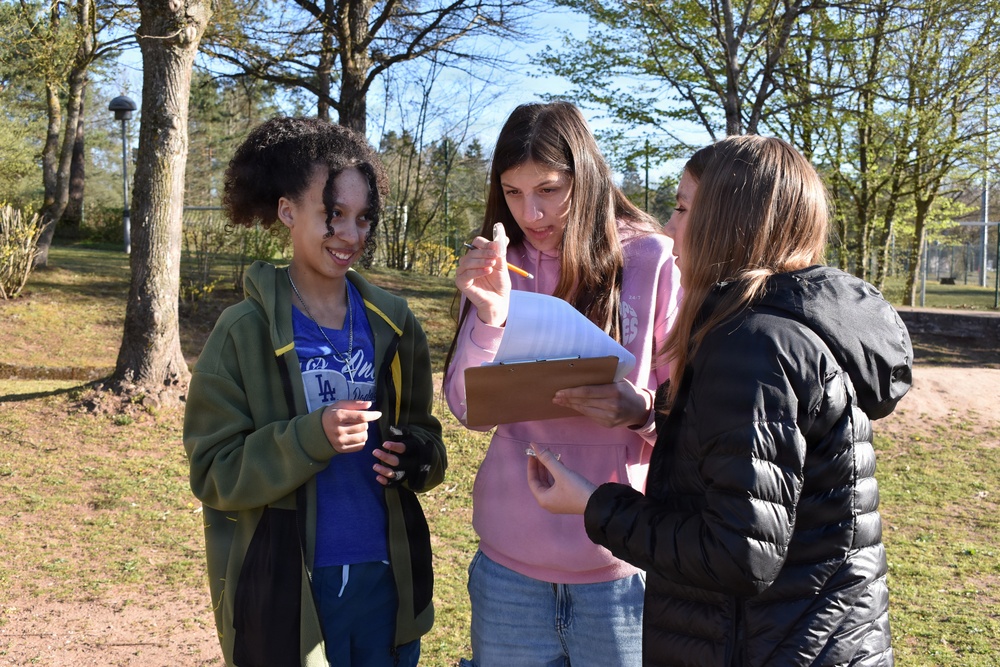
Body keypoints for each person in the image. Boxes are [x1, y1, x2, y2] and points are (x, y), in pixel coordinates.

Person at [527, 134, 913, 666]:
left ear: (730, 222)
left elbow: (737, 554)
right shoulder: (783, 332)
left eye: (684, 208)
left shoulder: (755, 346)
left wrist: (594, 503)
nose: (668, 226)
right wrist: (648, 412)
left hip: (766, 645)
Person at [183, 115, 447, 667]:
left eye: (364, 218)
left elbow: (427, 437)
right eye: (334, 216)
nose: (352, 235)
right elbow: (214, 472)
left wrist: (416, 456)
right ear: (287, 211)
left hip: (387, 585)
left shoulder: (396, 325)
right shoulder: (242, 332)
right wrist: (310, 438)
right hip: (289, 592)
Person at [442, 101, 683, 666]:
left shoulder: (650, 258)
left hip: (619, 563)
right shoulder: (497, 265)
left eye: (549, 189)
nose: (532, 213)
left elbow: (692, 419)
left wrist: (638, 411)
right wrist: (490, 316)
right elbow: (464, 407)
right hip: (508, 566)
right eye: (513, 192)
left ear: (588, 176)